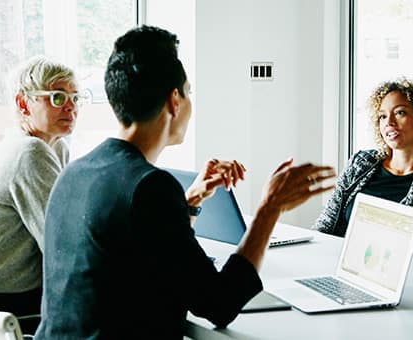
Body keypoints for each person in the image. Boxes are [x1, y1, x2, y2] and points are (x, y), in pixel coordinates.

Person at [35, 25, 335, 339]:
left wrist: (189, 202)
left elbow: (147, 254)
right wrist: (268, 210)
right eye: (189, 92)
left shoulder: (77, 171)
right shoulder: (151, 187)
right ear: (174, 100)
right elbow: (219, 304)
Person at [0, 56, 82, 333]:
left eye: (75, 98)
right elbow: (60, 244)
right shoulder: (30, 152)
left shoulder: (53, 147)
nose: (70, 106)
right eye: (57, 97)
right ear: (23, 103)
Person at [313, 78, 413, 261]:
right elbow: (326, 224)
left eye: (400, 113)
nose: (389, 122)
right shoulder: (361, 162)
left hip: (407, 279)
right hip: (341, 265)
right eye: (382, 116)